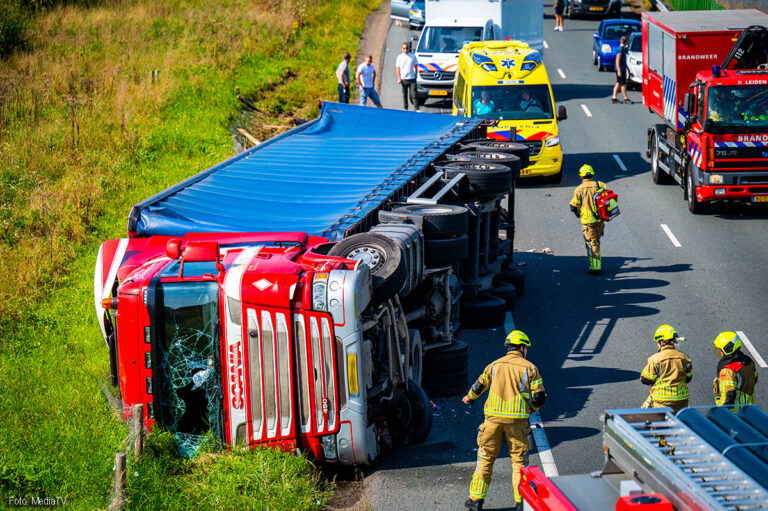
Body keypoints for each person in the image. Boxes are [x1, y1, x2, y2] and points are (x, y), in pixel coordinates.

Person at [462, 330, 546, 511]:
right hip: (517, 423)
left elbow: (479, 386)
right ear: (522, 348)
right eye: (526, 348)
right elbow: (539, 397)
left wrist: (469, 398)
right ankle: (520, 503)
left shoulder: (493, 365)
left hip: (492, 421)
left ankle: (475, 501)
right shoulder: (530, 368)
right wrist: (532, 409)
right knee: (519, 463)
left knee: (485, 459)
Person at [640, 325, 693, 413]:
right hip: (681, 400)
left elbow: (645, 379)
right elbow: (688, 377)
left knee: (661, 424)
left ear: (662, 343)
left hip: (661, 401)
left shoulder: (654, 359)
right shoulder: (685, 358)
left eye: (658, 342)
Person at [569, 164, 606, 275]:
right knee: (596, 242)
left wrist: (577, 213)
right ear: (592, 174)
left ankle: (595, 267)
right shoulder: (601, 185)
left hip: (587, 222)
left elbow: (573, 206)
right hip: (600, 220)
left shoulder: (579, 189)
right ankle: (596, 262)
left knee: (591, 243)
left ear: (581, 176)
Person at [712, 331, 758, 412]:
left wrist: (720, 412)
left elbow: (728, 398)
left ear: (728, 348)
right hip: (749, 410)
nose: (719, 352)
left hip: (734, 414)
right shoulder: (748, 361)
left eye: (720, 350)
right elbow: (755, 378)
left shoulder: (727, 370)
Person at [396, 42, 419, 111]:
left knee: (414, 94)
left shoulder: (413, 56)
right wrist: (399, 78)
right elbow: (398, 68)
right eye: (404, 48)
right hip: (403, 79)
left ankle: (416, 108)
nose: (405, 49)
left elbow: (416, 66)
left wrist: (416, 74)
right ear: (402, 49)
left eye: (407, 48)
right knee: (404, 94)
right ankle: (405, 108)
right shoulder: (399, 57)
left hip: (412, 78)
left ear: (409, 48)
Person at [612, 36, 631, 104]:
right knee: (623, 84)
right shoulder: (620, 50)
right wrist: (619, 70)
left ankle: (614, 97)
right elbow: (617, 60)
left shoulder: (622, 49)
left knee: (618, 82)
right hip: (620, 69)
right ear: (626, 42)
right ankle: (626, 98)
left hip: (622, 69)